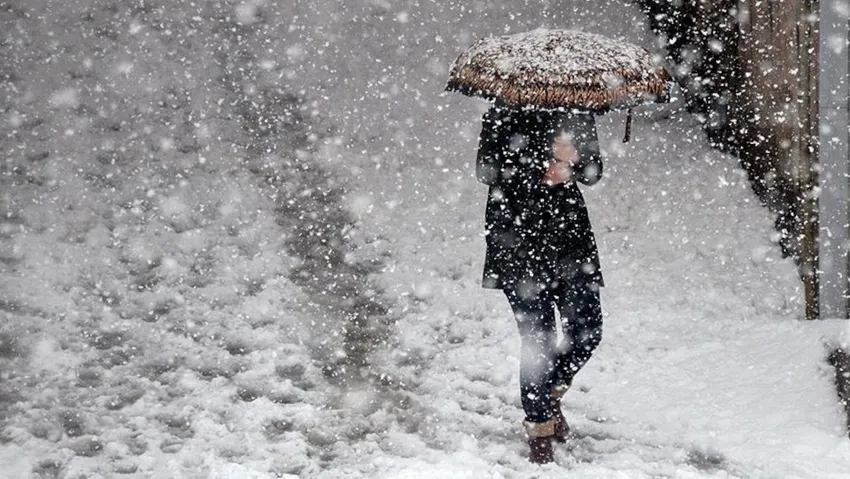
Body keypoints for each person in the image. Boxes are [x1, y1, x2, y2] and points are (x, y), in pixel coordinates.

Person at [475, 101, 604, 464]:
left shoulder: (577, 110)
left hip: (570, 241)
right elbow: (487, 170)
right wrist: (543, 163)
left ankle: (547, 394)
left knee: (588, 329)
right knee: (539, 340)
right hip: (517, 240)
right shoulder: (502, 112)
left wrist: (574, 163)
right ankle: (539, 430)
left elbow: (594, 172)